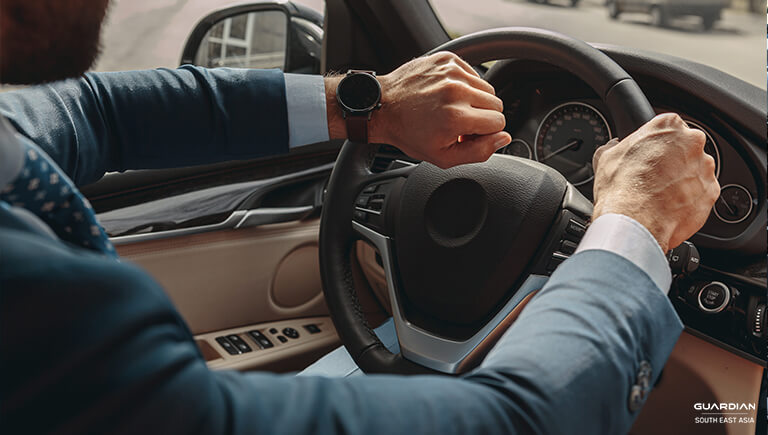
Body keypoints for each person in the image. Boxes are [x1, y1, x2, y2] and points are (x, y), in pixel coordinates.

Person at [0, 1, 719, 434]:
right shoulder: (41, 307)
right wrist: (630, 224)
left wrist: (368, 105)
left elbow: (93, 110)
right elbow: (520, 421)